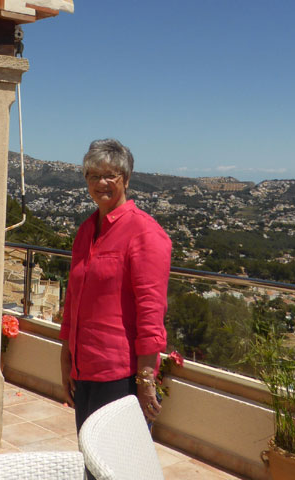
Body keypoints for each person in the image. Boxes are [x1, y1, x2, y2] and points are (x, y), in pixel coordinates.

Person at [59, 138, 172, 437]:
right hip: (83, 371)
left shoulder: (144, 232)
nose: (101, 183)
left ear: (127, 178)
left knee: (115, 457)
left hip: (119, 377)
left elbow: (151, 313)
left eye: (110, 175)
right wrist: (66, 359)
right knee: (89, 453)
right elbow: (72, 299)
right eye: (93, 175)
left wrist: (146, 380)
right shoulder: (86, 230)